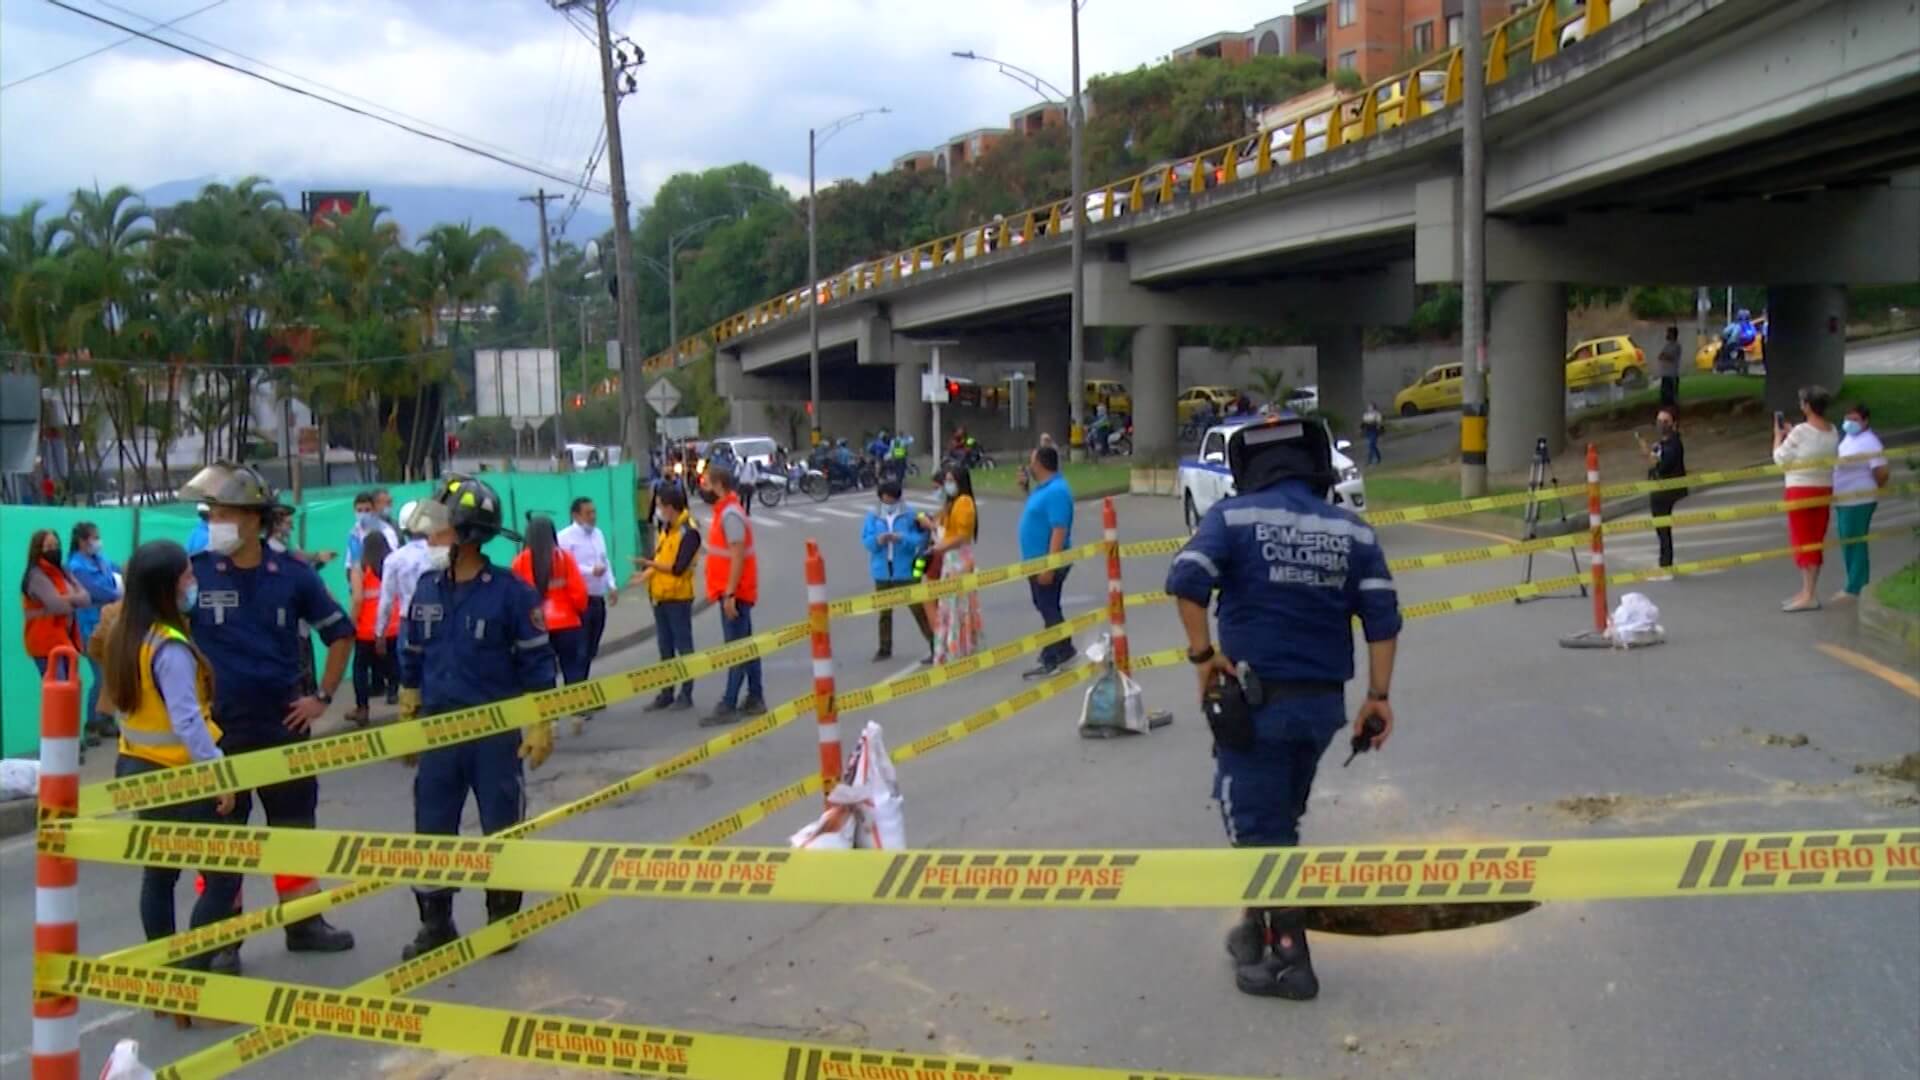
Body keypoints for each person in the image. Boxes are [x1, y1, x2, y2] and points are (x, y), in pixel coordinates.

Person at [1165, 414, 1401, 1000]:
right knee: (1279, 818)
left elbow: (1186, 580)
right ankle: (1256, 924)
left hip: (1255, 708)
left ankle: (1291, 960)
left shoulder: (1232, 518)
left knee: (1257, 827)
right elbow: (1383, 619)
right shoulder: (1355, 533)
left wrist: (1203, 657)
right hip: (1321, 711)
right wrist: (1378, 697)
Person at [178, 462, 356, 973]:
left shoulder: (293, 575)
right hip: (219, 732)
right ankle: (224, 939)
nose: (216, 522)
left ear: (254, 519)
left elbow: (340, 632)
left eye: (226, 513)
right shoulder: (194, 574)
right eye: (212, 513)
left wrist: (322, 696)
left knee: (294, 829)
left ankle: (303, 922)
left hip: (284, 726)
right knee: (222, 840)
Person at [398, 476, 557, 959]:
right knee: (432, 825)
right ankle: (436, 922)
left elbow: (536, 661)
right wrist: (408, 704)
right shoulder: (427, 589)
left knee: (501, 824)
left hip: (494, 735)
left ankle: (501, 918)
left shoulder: (511, 593)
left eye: (442, 527)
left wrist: (539, 719)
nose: (432, 536)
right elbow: (412, 651)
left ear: (467, 534)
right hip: (440, 731)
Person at [101, 540, 239, 989]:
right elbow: (188, 723)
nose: (193, 583)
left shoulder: (123, 636)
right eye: (186, 577)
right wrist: (217, 773)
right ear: (166, 587)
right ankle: (189, 976)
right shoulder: (169, 647)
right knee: (223, 877)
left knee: (159, 876)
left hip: (135, 767)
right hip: (180, 775)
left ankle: (165, 979)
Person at [699, 462, 766, 724]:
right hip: (731, 591)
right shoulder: (724, 511)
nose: (702, 487)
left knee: (735, 648)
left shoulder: (730, 515)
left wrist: (729, 594)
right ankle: (755, 696)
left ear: (718, 485)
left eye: (706, 482)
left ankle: (729, 702)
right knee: (745, 645)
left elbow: (737, 556)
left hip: (734, 593)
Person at [513, 516, 591, 731]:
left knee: (544, 673)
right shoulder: (563, 558)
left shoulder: (521, 561)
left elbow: (515, 596)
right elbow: (579, 592)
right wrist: (578, 611)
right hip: (567, 623)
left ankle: (551, 719)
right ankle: (577, 713)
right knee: (572, 668)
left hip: (537, 627)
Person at [1772, 385, 1841, 612]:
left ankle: (1809, 593)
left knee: (1802, 541)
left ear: (1808, 406)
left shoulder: (1801, 432)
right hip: (1823, 488)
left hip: (1800, 489)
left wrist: (1778, 437)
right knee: (1815, 540)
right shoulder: (1832, 431)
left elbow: (1780, 459)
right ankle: (1808, 590)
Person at [633, 485, 702, 711]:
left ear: (671, 507)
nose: (659, 510)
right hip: (660, 596)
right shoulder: (667, 528)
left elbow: (678, 568)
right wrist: (645, 575)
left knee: (684, 646)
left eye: (661, 506)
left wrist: (650, 564)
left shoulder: (689, 531)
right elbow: (661, 556)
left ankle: (687, 693)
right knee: (665, 648)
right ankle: (666, 692)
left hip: (679, 597)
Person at [1019, 445, 1075, 678]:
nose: (1030, 466)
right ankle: (1063, 648)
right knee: (1046, 605)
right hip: (1035, 562)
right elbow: (1037, 514)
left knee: (1048, 607)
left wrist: (1050, 566)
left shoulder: (1057, 492)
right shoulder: (1045, 489)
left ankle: (1052, 657)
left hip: (1047, 562)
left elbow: (1058, 530)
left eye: (1032, 462)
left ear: (1041, 464)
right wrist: (1025, 489)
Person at [375, 501, 435, 721]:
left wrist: (379, 633)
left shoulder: (395, 559)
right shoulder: (442, 555)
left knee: (410, 678)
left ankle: (411, 727)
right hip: (440, 621)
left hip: (409, 624)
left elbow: (386, 601)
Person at [864, 479, 935, 663]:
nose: (890, 503)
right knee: (884, 612)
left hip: (904, 569)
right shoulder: (873, 516)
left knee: (918, 609)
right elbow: (866, 540)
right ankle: (884, 648)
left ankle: (935, 645)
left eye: (893, 499)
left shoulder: (910, 514)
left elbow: (920, 539)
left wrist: (901, 538)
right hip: (882, 570)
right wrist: (877, 541)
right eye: (887, 499)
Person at [65, 521, 122, 746]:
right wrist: (117, 590)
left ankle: (106, 718)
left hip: (108, 623)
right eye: (94, 537)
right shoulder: (76, 566)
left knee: (111, 676)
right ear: (82, 541)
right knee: (100, 677)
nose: (98, 541)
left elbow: (117, 572)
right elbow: (100, 589)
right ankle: (92, 724)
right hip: (89, 628)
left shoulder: (100, 559)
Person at [919, 466, 981, 664]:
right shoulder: (952, 503)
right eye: (946, 480)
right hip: (951, 558)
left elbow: (962, 536)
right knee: (950, 606)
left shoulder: (964, 502)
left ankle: (958, 648)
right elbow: (944, 527)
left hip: (959, 559)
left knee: (957, 605)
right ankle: (954, 646)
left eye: (950, 480)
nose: (947, 485)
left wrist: (939, 548)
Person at [1831, 403, 1890, 603]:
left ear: (1865, 421)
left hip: (1858, 500)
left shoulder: (1870, 442)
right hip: (1844, 499)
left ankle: (1856, 587)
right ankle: (1855, 583)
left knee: (1854, 542)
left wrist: (1872, 489)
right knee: (1848, 541)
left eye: (1855, 419)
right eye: (1847, 419)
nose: (1849, 423)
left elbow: (1881, 472)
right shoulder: (1849, 438)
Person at [558, 497, 616, 673]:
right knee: (579, 652)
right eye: (588, 513)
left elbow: (604, 561)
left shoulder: (598, 534)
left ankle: (584, 687)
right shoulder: (565, 537)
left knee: (591, 649)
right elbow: (565, 566)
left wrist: (611, 585)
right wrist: (590, 570)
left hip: (598, 599)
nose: (592, 516)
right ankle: (577, 690)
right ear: (576, 515)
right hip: (578, 602)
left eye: (594, 512)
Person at [22, 528, 91, 676]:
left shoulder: (64, 571)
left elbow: (86, 598)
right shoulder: (36, 575)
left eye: (56, 545)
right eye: (49, 547)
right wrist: (74, 599)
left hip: (64, 639)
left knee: (68, 689)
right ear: (38, 550)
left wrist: (66, 600)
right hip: (45, 642)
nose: (54, 550)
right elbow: (57, 605)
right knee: (57, 690)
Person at [348, 531, 398, 727]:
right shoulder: (392, 565)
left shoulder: (360, 568)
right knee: (393, 663)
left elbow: (358, 599)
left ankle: (362, 709)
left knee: (360, 668)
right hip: (393, 625)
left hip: (367, 629)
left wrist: (351, 624)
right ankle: (396, 693)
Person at [1636, 407, 1688, 577]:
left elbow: (1662, 466)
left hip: (1667, 490)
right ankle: (1664, 562)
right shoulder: (1662, 444)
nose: (1661, 425)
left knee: (1663, 527)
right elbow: (1654, 462)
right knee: (1661, 528)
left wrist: (1651, 458)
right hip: (1659, 488)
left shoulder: (1674, 444)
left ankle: (1665, 565)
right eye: (1659, 421)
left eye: (1665, 421)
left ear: (1674, 423)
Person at [1656, 326, 1683, 408]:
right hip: (1665, 374)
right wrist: (1664, 356)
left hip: (1672, 375)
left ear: (1672, 334)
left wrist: (1665, 356)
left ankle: (1674, 411)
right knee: (1664, 397)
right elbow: (1660, 356)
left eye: (1668, 333)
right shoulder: (1667, 345)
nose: (1666, 335)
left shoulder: (1676, 346)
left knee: (1672, 396)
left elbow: (1671, 357)